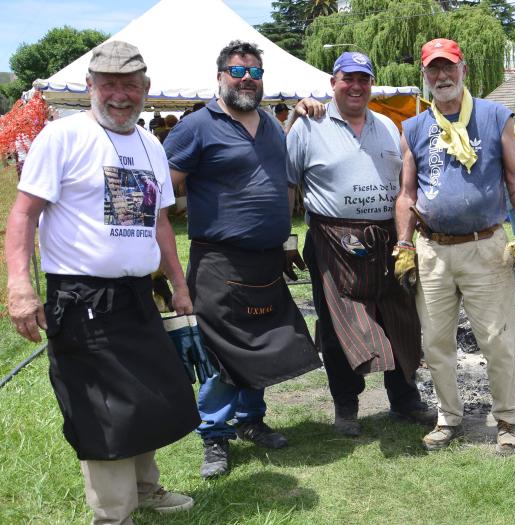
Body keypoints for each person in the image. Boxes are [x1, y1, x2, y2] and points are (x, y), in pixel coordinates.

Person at [4, 40, 199, 524]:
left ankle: (144, 487)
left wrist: (178, 283)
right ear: (90, 86)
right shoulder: (62, 137)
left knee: (148, 392)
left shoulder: (151, 144)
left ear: (145, 89)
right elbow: (24, 214)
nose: (119, 95)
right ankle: (114, 515)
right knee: (103, 406)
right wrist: (20, 287)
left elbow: (159, 225)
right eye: (108, 84)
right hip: (81, 295)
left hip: (136, 294)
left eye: (129, 86)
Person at [163, 40, 322, 479]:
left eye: (254, 72)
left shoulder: (270, 124)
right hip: (219, 260)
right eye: (238, 72)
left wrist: (287, 241)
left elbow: (278, 184)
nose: (247, 79)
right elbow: (162, 189)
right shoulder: (195, 126)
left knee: (263, 344)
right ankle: (214, 435)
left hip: (267, 259)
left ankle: (252, 421)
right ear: (220, 77)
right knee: (221, 352)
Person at [395, 38, 515, 454]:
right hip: (432, 250)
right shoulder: (415, 128)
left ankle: (507, 420)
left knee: (496, 338)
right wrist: (403, 245)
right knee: (435, 342)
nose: (442, 76)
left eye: (449, 68)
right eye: (433, 70)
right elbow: (406, 194)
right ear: (424, 77)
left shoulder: (495, 117)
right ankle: (448, 418)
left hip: (486, 246)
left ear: (464, 72)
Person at [286, 52, 434, 437]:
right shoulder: (308, 125)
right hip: (331, 240)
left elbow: (407, 184)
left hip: (387, 238)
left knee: (400, 318)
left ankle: (404, 399)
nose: (356, 86)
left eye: (363, 80)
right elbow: (287, 185)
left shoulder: (387, 125)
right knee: (338, 326)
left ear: (371, 84)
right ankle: (346, 407)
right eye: (347, 79)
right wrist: (285, 239)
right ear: (333, 83)